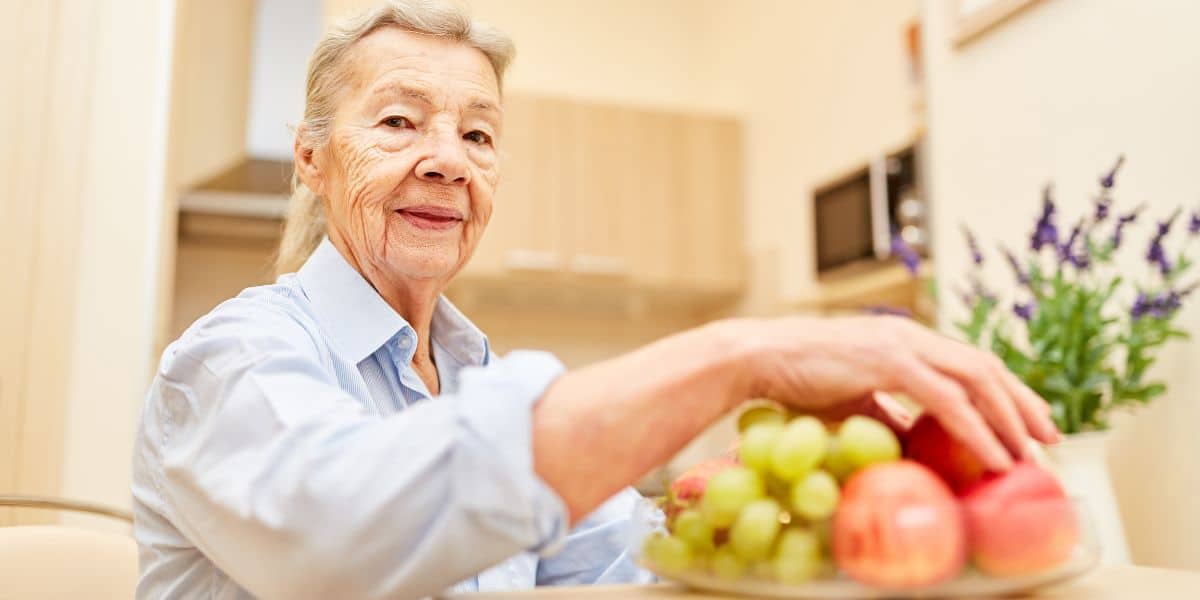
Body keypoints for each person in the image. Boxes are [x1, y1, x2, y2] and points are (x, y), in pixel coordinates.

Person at [131, 1, 1059, 598]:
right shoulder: (234, 356)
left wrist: (732, 493)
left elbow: (625, 561)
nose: (448, 159)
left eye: (479, 134)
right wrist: (737, 355)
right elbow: (339, 535)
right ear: (311, 157)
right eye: (400, 120)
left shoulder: (472, 370)